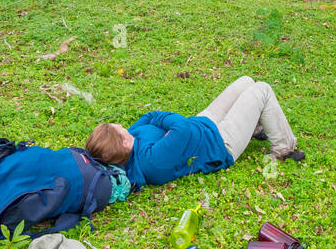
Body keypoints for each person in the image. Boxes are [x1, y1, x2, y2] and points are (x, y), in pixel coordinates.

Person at [85, 76, 304, 188]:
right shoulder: (152, 161)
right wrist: (167, 123)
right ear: (124, 144)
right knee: (262, 90)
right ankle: (284, 149)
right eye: (120, 130)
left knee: (246, 81)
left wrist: (164, 123)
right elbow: (180, 128)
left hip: (203, 123)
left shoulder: (132, 139)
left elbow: (151, 117)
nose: (124, 126)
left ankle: (254, 127)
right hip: (220, 143)